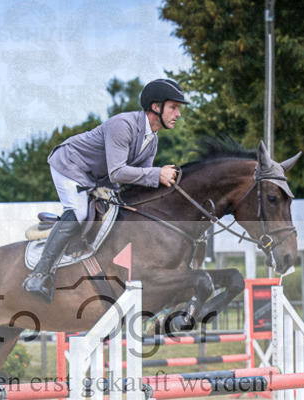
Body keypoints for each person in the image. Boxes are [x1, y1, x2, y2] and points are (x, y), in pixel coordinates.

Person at [22, 78, 189, 302]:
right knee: (80, 212)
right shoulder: (123, 125)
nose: (178, 114)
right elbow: (118, 172)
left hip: (98, 179)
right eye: (174, 107)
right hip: (71, 165)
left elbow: (139, 180)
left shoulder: (152, 140)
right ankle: (40, 274)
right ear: (156, 107)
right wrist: (158, 174)